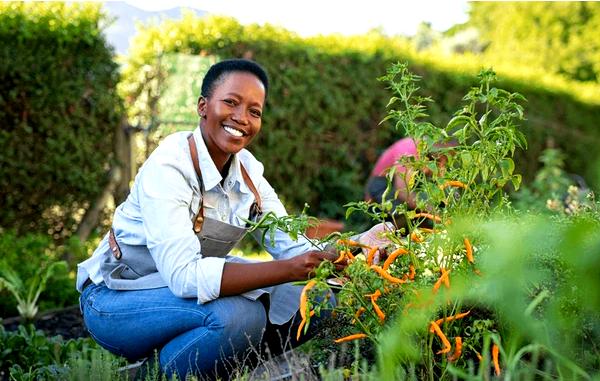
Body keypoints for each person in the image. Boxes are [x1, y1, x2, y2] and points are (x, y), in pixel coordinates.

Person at [76, 59, 347, 380]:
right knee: (239, 317)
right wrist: (290, 269)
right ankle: (152, 377)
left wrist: (343, 253)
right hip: (117, 299)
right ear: (203, 106)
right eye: (231, 102)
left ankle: (205, 368)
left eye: (254, 111)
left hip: (181, 298)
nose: (242, 118)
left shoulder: (248, 174)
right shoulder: (169, 167)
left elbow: (291, 246)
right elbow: (184, 277)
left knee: (318, 301)